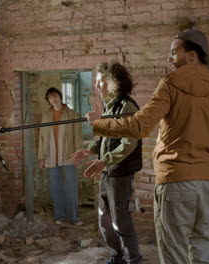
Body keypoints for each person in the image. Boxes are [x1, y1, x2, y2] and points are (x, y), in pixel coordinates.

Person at [86, 29, 209, 264]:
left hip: (176, 182)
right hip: (206, 185)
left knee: (174, 254)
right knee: (201, 249)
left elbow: (139, 126)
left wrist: (98, 123)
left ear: (191, 56)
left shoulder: (170, 84)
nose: (169, 59)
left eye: (173, 53)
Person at [71, 61, 143, 264]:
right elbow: (108, 137)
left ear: (114, 82)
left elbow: (128, 143)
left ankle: (134, 259)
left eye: (101, 81)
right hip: (107, 172)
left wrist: (104, 161)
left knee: (120, 220)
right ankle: (116, 256)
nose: (97, 86)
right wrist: (91, 151)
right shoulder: (109, 106)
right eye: (97, 82)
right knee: (104, 219)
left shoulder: (126, 106)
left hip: (120, 173)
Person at [38, 87, 83, 226]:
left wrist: (78, 155)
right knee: (55, 187)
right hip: (51, 156)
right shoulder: (46, 116)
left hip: (69, 155)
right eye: (50, 98)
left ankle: (74, 217)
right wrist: (41, 157)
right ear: (48, 100)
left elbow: (78, 137)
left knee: (70, 187)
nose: (53, 99)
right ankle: (60, 216)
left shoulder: (73, 115)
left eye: (55, 96)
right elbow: (41, 137)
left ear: (60, 97)